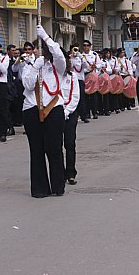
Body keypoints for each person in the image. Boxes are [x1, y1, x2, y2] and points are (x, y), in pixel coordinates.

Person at [21, 25, 66, 198]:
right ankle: (40, 188)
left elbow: (60, 54)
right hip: (32, 109)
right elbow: (28, 85)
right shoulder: (30, 65)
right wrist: (35, 66)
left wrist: (46, 37)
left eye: (42, 51)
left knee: (54, 148)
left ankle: (58, 185)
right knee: (37, 150)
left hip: (53, 108)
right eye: (36, 51)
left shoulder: (57, 66)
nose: (39, 54)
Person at [62, 55, 81, 185]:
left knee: (69, 143)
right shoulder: (51, 75)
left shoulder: (72, 76)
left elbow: (75, 96)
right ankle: (59, 172)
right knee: (55, 145)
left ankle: (70, 172)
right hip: (54, 112)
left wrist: (67, 111)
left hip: (70, 112)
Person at [80, 40, 100, 119]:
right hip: (84, 76)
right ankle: (87, 113)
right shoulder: (81, 55)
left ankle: (95, 112)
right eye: (84, 45)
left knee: (93, 95)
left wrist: (95, 66)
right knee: (85, 96)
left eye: (87, 45)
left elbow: (99, 64)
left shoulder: (94, 55)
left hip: (92, 75)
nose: (86, 47)